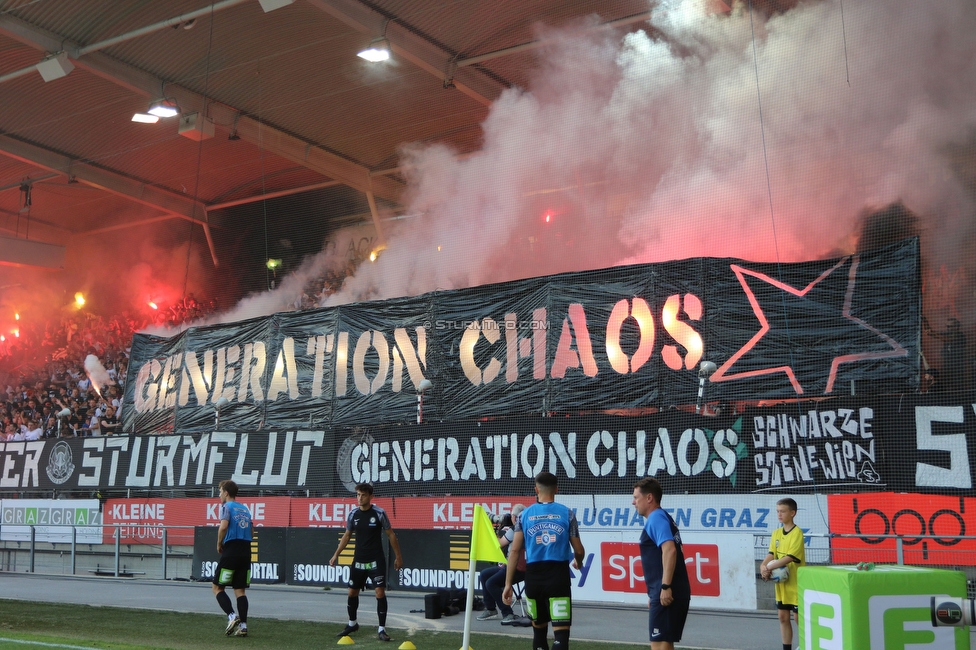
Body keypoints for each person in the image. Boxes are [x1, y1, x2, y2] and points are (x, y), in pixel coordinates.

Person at [502, 472, 585, 650]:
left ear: (536, 489)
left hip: (533, 578)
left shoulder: (524, 515)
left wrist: (508, 584)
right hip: (558, 577)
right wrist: (579, 561)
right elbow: (578, 549)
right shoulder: (567, 513)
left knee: (539, 633)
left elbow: (515, 550)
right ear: (556, 489)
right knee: (560, 636)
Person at [329, 483, 404, 643]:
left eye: (363, 495)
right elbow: (347, 536)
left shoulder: (379, 513)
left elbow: (391, 535)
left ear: (371, 496)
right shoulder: (353, 514)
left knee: (380, 592)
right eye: (357, 495)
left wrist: (398, 556)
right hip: (359, 560)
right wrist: (336, 554)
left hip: (376, 560)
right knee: (351, 592)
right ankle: (352, 624)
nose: (359, 498)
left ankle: (382, 629)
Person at [631, 477, 690, 650]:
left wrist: (665, 587)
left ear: (649, 498)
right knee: (663, 643)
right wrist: (655, 592)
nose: (633, 502)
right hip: (665, 591)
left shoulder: (656, 517)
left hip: (668, 590)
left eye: (636, 497)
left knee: (659, 644)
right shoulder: (662, 516)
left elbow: (670, 550)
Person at [761, 498, 806, 650]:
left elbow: (790, 557)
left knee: (798, 618)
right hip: (782, 585)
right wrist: (763, 565)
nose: (779, 514)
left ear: (792, 513)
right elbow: (771, 553)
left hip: (796, 583)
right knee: (783, 617)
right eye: (778, 511)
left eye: (783, 511)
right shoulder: (776, 533)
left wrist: (770, 567)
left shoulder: (797, 533)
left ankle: (807, 644)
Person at [211, 479, 253, 638]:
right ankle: (243, 626)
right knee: (240, 590)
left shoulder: (226, 507)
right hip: (246, 550)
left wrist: (219, 543)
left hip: (232, 549)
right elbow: (252, 530)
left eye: (220, 491)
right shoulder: (245, 508)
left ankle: (231, 616)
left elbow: (223, 526)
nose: (219, 494)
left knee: (217, 588)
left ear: (226, 492)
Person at [477, 503, 526, 624]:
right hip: (519, 566)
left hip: (516, 568)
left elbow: (499, 544)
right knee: (484, 575)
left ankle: (508, 613)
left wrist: (494, 531)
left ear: (515, 517)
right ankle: (491, 609)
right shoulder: (524, 527)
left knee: (491, 583)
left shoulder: (515, 529)